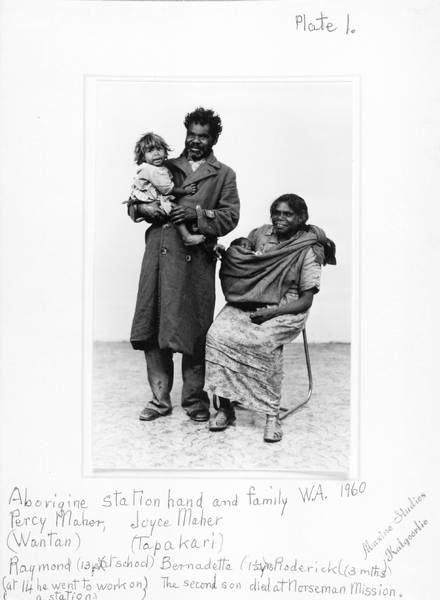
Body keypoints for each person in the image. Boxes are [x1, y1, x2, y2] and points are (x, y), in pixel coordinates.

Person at [127, 107, 240, 423]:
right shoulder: (165, 164)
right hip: (159, 256)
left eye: (203, 136)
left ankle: (194, 400)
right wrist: (145, 208)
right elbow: (134, 205)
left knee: (194, 329)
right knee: (153, 325)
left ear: (213, 139)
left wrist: (196, 216)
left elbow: (231, 217)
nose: (196, 141)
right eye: (192, 134)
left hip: (195, 261)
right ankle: (160, 400)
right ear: (185, 134)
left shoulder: (224, 174)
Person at [205, 194, 336, 442]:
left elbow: (306, 300)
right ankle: (225, 407)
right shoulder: (261, 234)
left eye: (287, 214)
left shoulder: (309, 249)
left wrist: (270, 313)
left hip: (286, 306)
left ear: (301, 218)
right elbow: (246, 264)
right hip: (250, 299)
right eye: (276, 212)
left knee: (263, 342)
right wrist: (231, 257)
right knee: (217, 335)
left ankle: (271, 415)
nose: (280, 218)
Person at [127, 132, 205, 246]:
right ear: (143, 157)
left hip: (154, 199)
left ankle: (191, 228)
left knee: (174, 208)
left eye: (159, 149)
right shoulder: (153, 170)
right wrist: (186, 191)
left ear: (165, 151)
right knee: (175, 209)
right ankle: (186, 236)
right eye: (150, 151)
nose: (156, 153)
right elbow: (167, 189)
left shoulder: (160, 167)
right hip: (150, 201)